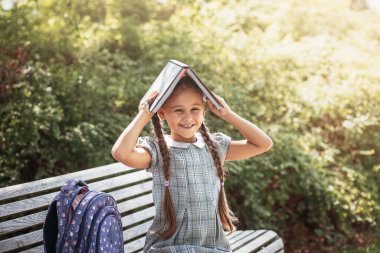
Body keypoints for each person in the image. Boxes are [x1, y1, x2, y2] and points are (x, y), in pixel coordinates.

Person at [111, 75, 273, 252]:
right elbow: (121, 153)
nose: (188, 118)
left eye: (195, 109)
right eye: (178, 110)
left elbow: (263, 144)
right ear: (162, 113)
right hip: (169, 248)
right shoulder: (158, 151)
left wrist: (227, 114)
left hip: (212, 247)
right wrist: (144, 114)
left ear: (204, 110)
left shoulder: (214, 147)